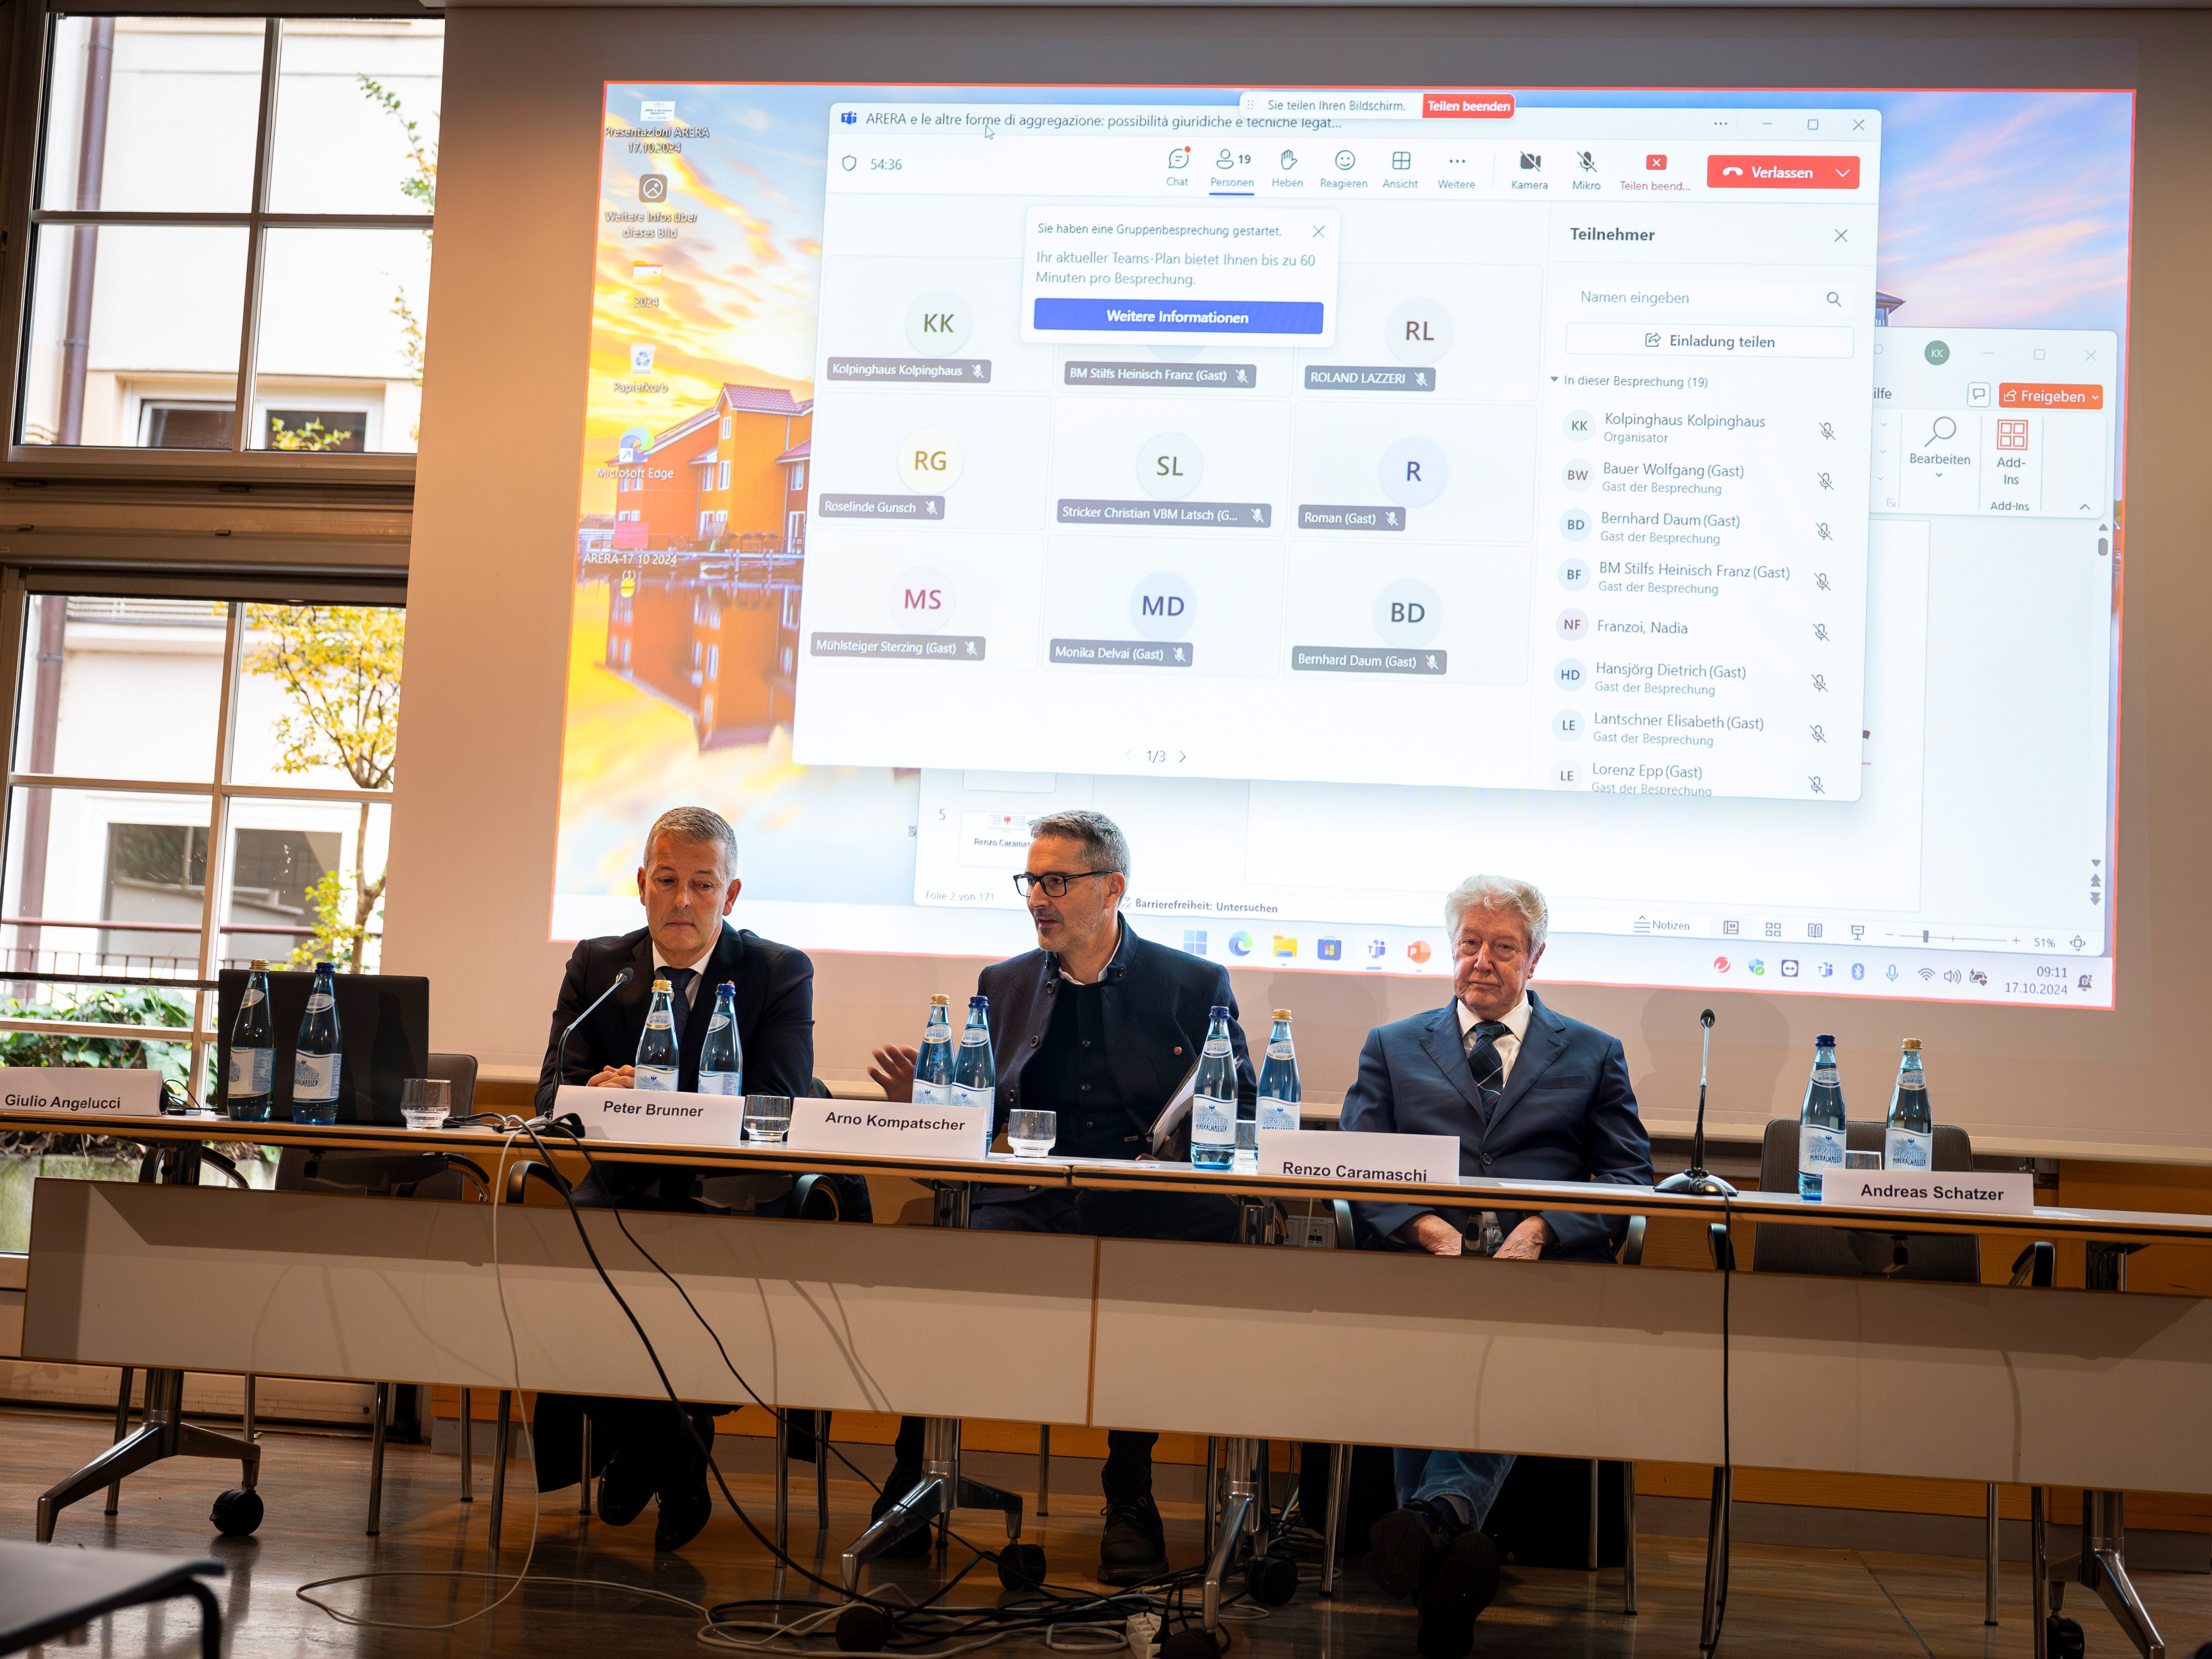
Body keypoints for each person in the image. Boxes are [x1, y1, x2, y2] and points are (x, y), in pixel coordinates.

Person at [868, 809, 1254, 1583]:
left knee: (1151, 1286)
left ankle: (1129, 1491)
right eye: (1031, 881)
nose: (1039, 898)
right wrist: (939, 1101)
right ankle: (917, 1476)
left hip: (1149, 1201)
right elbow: (991, 1113)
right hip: (1033, 1193)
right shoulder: (1003, 983)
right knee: (943, 1272)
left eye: (1057, 882)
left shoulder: (1192, 983)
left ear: (1111, 887)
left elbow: (1236, 1107)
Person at [1340, 873, 1651, 1659]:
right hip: (1418, 1264)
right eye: (1469, 944)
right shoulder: (1392, 1045)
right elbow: (1354, 1162)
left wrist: (1548, 1226)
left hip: (1535, 1273)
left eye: (1502, 947)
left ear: (1534, 957)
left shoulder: (1591, 1052)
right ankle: (1447, 1530)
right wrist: (1422, 1225)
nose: (1482, 961)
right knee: (1430, 1335)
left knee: (1496, 1335)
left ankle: (1429, 1526)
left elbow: (1628, 1180)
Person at [529, 804, 831, 1553]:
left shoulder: (777, 971)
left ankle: (643, 1444)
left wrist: (662, 1094)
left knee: (667, 1286)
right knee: (548, 1280)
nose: (683, 900)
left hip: (727, 1200)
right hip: (622, 1191)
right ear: (642, 884)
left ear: (730, 897)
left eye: (703, 884)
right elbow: (549, 1096)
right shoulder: (599, 965)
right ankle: (672, 1451)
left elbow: (782, 1100)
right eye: (667, 880)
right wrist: (596, 1092)